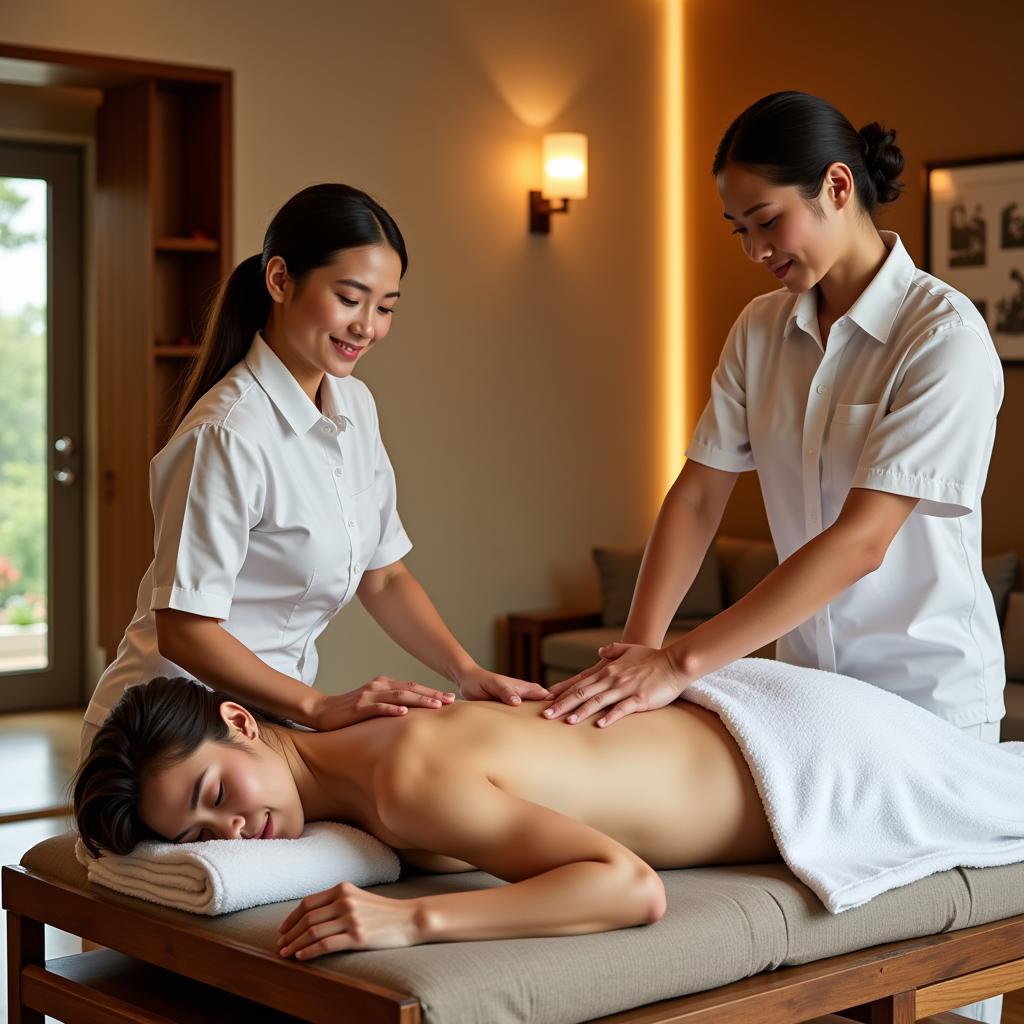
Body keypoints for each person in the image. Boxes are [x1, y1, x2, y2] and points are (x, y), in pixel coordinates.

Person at [543, 91, 1005, 1023]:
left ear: (838, 187)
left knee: (931, 992)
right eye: (737, 229)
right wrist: (635, 656)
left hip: (923, 705)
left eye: (767, 222)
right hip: (812, 709)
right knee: (819, 977)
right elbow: (700, 492)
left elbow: (863, 541)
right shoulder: (762, 330)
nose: (756, 250)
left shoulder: (942, 337)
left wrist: (683, 660)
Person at [72, 674, 1024, 959]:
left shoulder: (402, 775)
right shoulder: (365, 751)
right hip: (749, 722)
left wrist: (411, 919)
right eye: (197, 837)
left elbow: (630, 888)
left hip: (812, 758)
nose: (232, 835)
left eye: (215, 797)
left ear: (242, 722)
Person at [82, 184, 546, 758]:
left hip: (274, 720)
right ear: (279, 281)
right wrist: (320, 708)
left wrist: (465, 671)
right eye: (350, 299)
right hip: (164, 739)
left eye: (386, 307)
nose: (368, 327)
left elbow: (385, 576)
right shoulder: (226, 434)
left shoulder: (355, 405)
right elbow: (185, 630)